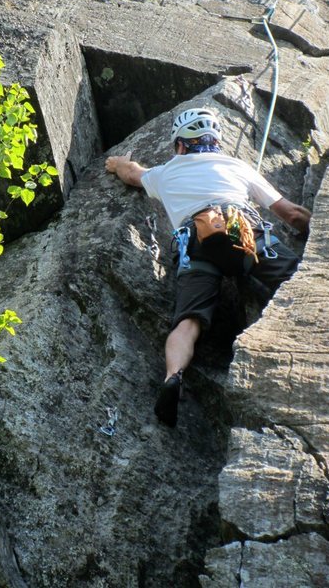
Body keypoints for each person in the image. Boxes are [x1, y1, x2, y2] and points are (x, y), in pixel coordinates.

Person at [105, 108, 311, 428]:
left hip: (195, 244)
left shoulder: (165, 173)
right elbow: (293, 215)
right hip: (239, 231)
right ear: (214, 142)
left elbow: (132, 173)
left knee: (187, 323)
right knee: (301, 282)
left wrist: (117, 163)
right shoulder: (235, 166)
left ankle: (173, 377)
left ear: (181, 145)